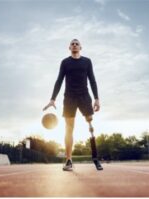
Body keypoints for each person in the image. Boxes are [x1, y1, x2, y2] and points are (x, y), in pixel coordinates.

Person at [43, 39, 103, 171]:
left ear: (81, 47)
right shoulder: (65, 62)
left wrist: (97, 98)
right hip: (69, 97)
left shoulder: (87, 61)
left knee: (90, 124)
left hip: (84, 96)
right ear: (69, 47)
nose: (75, 45)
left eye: (77, 43)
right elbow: (59, 80)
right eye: (72, 43)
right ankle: (69, 160)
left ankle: (95, 158)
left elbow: (92, 80)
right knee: (69, 129)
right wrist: (53, 98)